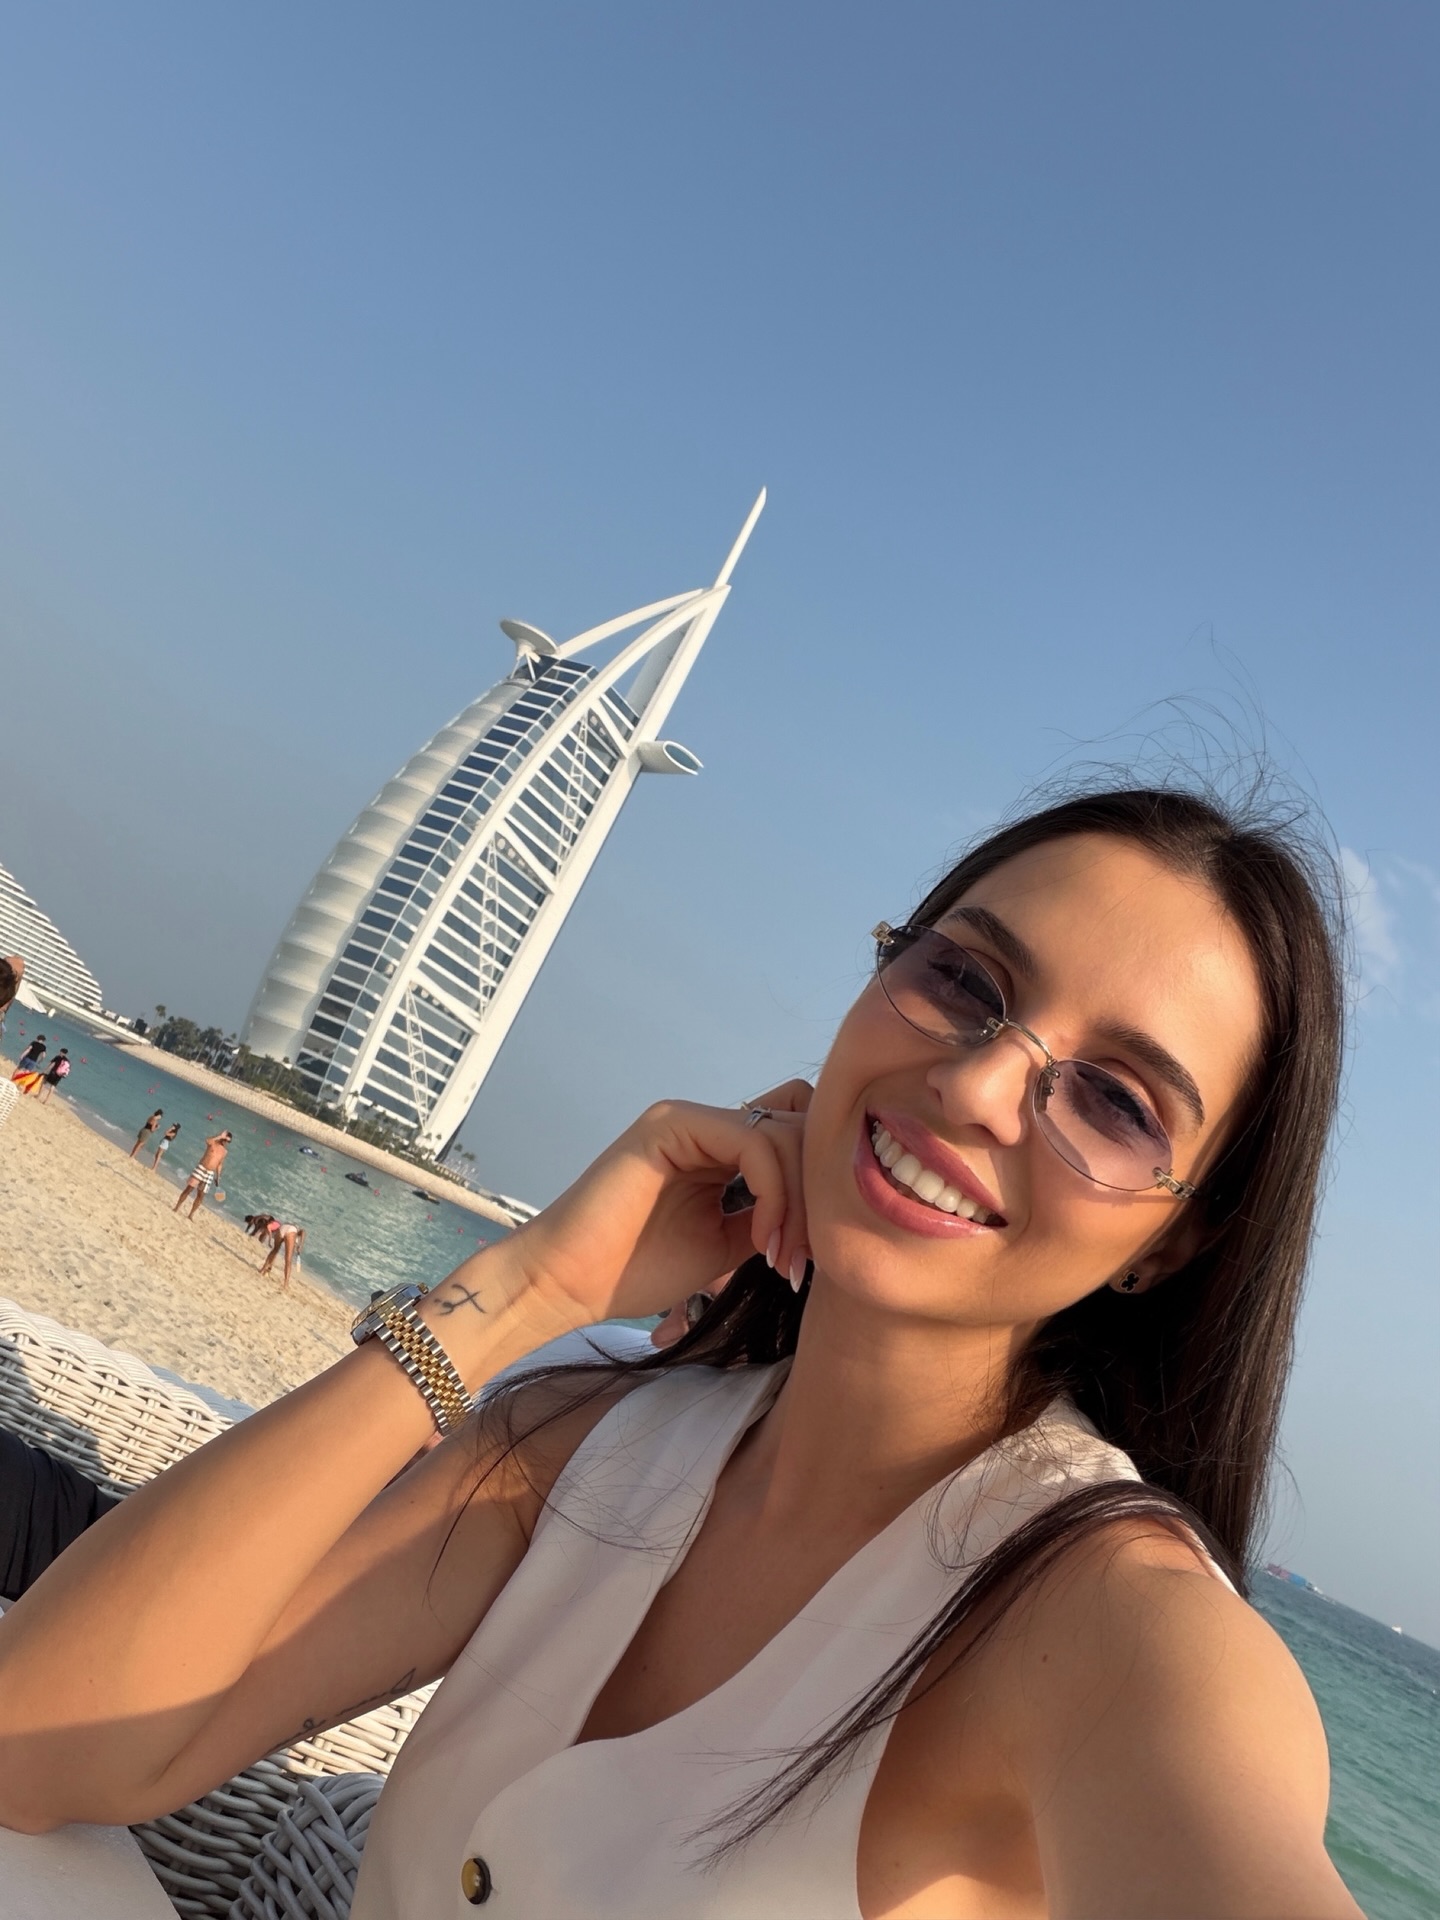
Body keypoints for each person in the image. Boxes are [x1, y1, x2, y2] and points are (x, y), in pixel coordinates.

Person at [0, 786, 1363, 1918]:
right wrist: (528, 1288)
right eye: (962, 978)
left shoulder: (1108, 1629)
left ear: (1172, 1244)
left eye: (1116, 1101)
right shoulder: (583, 1446)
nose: (971, 1085)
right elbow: (37, 1741)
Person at [172, 1130, 231, 1219]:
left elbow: (220, 1164)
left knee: (201, 1195)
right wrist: (219, 1136)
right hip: (201, 1168)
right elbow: (207, 1140)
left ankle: (191, 1215)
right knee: (189, 1189)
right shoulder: (213, 1143)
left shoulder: (224, 1152)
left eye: (228, 1141)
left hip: (210, 1173)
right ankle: (176, 1207)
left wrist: (218, 1176)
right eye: (225, 1140)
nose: (226, 1142)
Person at [258, 1221, 306, 1292]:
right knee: (288, 1260)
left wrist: (297, 1245)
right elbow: (303, 1232)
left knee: (275, 1250)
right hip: (290, 1231)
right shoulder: (295, 1231)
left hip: (282, 1228)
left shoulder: (292, 1229)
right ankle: (286, 1284)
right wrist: (301, 1245)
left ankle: (262, 1269)